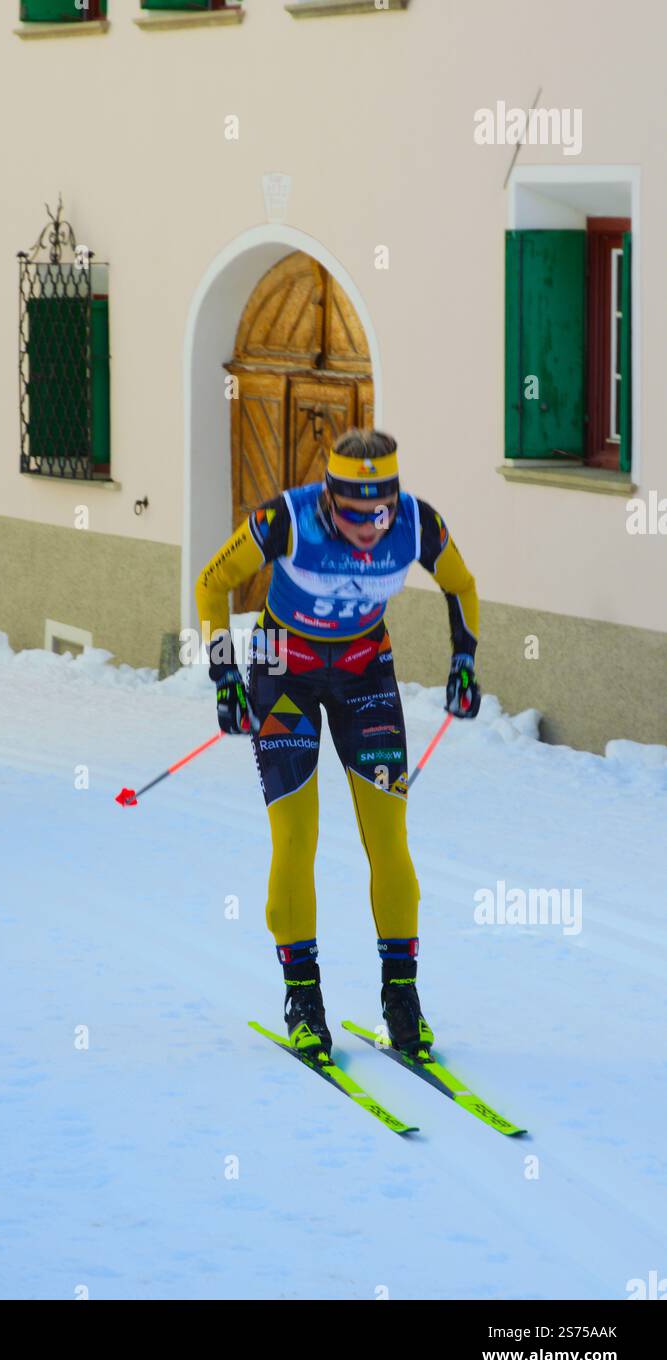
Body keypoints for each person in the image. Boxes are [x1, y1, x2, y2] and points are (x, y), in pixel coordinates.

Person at [194, 429, 480, 1060]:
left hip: (363, 673)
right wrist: (224, 675)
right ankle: (305, 1001)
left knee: (389, 840)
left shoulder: (418, 524)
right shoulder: (284, 519)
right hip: (281, 670)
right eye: (355, 515)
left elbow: (461, 584)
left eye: (380, 513)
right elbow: (212, 583)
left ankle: (401, 997)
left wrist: (465, 661)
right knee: (296, 839)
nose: (371, 529)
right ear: (328, 499)